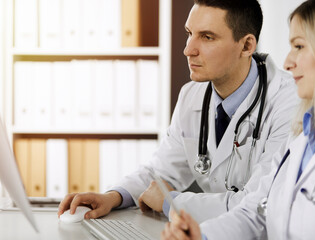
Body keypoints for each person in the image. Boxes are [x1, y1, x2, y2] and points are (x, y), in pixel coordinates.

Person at [58, 0, 298, 223]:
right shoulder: (191, 95)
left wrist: (172, 202)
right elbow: (160, 172)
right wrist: (113, 197)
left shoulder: (290, 101)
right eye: (189, 34)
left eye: (207, 37)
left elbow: (260, 203)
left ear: (246, 45)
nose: (188, 50)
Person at [161, 0, 315, 239]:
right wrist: (200, 236)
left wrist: (171, 201)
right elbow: (254, 213)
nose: (288, 62)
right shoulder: (300, 139)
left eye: (299, 46)